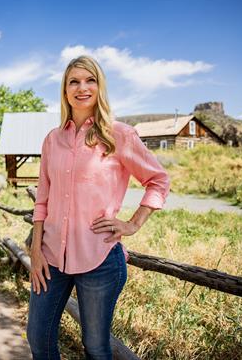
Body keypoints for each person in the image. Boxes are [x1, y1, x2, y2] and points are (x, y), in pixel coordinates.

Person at [26, 55, 170, 359]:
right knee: (38, 338)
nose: (82, 87)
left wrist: (132, 224)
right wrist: (37, 249)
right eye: (74, 81)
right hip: (50, 257)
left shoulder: (119, 134)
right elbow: (42, 200)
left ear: (99, 87)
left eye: (90, 80)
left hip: (100, 259)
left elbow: (158, 180)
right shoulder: (52, 140)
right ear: (65, 90)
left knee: (95, 347)